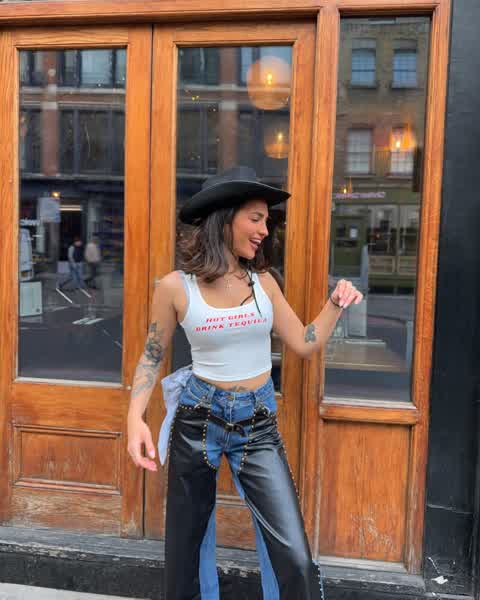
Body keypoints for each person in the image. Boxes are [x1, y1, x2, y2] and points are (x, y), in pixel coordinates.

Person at [127, 165, 363, 600]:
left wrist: (335, 303)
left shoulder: (264, 283)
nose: (264, 229)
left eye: (266, 220)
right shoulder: (175, 287)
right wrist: (135, 419)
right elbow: (152, 354)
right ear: (225, 218)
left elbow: (304, 342)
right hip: (197, 420)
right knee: (186, 550)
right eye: (255, 218)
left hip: (257, 423)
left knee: (294, 554)